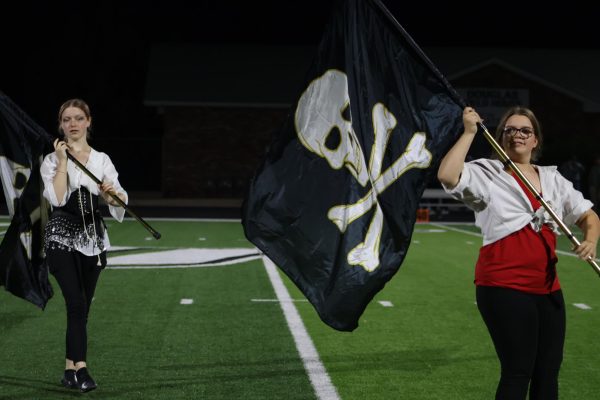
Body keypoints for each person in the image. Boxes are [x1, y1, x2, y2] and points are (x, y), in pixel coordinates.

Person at [437, 106, 600, 399]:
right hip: (503, 285)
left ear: (535, 140)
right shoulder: (487, 172)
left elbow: (589, 216)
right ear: (500, 137)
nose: (517, 135)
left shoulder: (552, 178)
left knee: (548, 372)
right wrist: (469, 132)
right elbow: (448, 176)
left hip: (548, 288)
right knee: (518, 370)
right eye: (509, 130)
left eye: (525, 130)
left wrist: (590, 240)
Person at [40, 99, 128, 393]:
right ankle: (82, 370)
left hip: (93, 238)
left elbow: (118, 204)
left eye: (78, 118)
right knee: (76, 303)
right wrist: (63, 162)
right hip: (61, 236)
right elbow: (57, 199)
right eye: (67, 119)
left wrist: (111, 195)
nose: (73, 124)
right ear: (61, 125)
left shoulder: (102, 160)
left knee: (82, 309)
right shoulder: (52, 160)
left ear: (88, 122)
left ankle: (69, 370)